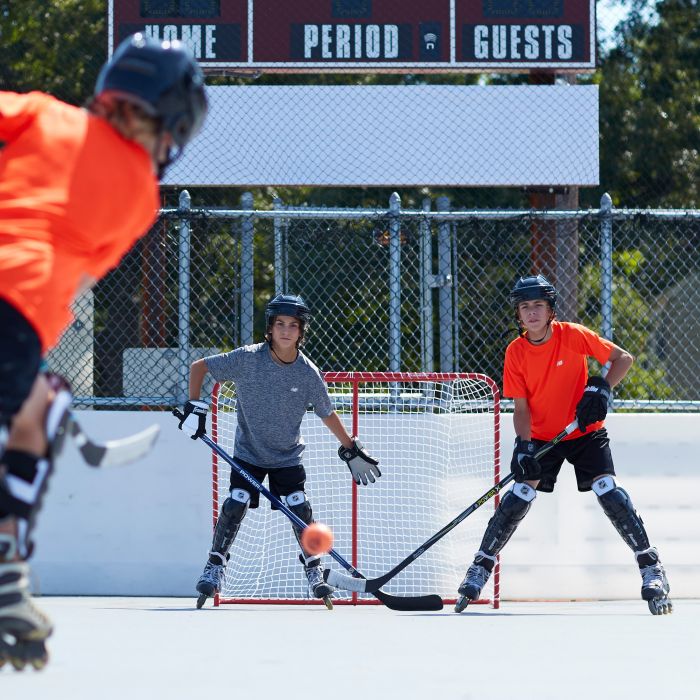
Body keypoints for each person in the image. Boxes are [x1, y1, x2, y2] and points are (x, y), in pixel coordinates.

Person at [0, 33, 208, 669]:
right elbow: (72, 277)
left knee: (37, 401)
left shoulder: (40, 112)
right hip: (13, 316)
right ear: (167, 123)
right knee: (40, 410)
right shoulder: (141, 199)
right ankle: (7, 574)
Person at [455, 274, 672, 615]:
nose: (531, 313)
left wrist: (600, 387)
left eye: (538, 305)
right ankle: (480, 567)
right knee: (520, 495)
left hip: (584, 431)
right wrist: (524, 446)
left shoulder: (572, 335)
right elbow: (522, 407)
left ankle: (651, 567)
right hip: (543, 436)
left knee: (607, 490)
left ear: (550, 309)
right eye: (524, 307)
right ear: (518, 314)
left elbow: (623, 359)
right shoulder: (516, 352)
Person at [177, 293, 381, 609]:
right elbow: (198, 367)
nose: (286, 331)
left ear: (301, 332)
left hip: (287, 456)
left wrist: (350, 448)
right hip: (248, 453)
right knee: (237, 501)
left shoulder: (307, 372)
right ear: (270, 329)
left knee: (299, 505)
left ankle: (314, 570)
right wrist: (195, 406)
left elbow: (327, 412)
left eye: (293, 325)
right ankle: (215, 565)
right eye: (280, 324)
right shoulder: (247, 359)